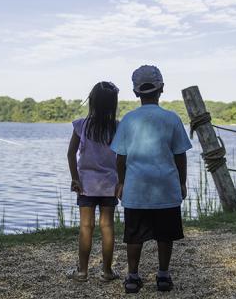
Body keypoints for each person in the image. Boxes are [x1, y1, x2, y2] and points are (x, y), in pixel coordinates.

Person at [111, 65, 192, 294]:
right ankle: (163, 275)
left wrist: (121, 182)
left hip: (136, 189)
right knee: (165, 235)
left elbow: (120, 157)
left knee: (134, 235)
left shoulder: (128, 120)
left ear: (136, 92)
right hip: (166, 188)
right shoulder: (172, 118)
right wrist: (182, 182)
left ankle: (133, 276)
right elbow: (180, 156)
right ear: (162, 89)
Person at [65, 81, 121, 283]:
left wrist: (75, 178)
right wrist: (122, 181)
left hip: (86, 185)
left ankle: (82, 272)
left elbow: (71, 154)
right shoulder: (117, 127)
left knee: (86, 227)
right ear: (113, 104)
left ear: (92, 102)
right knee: (107, 227)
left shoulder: (81, 125)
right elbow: (123, 157)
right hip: (109, 185)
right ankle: (107, 271)